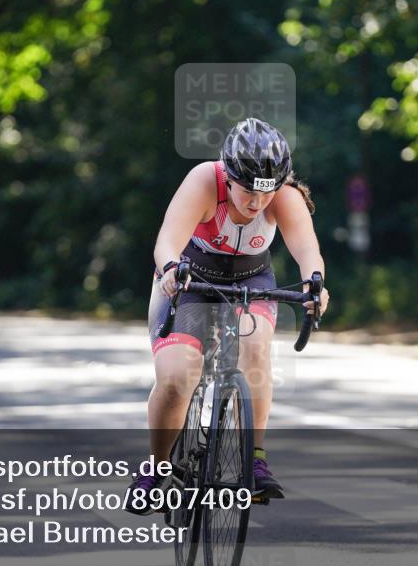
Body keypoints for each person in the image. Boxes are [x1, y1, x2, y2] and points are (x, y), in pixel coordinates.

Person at [125, 117, 330, 515]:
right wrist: (169, 270)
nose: (257, 203)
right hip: (189, 278)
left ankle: (255, 457)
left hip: (252, 279)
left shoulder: (283, 197)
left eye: (266, 193)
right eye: (249, 191)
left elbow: (308, 251)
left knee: (256, 353)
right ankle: (156, 467)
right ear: (229, 176)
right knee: (177, 375)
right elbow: (168, 239)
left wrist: (315, 287)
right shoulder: (205, 180)